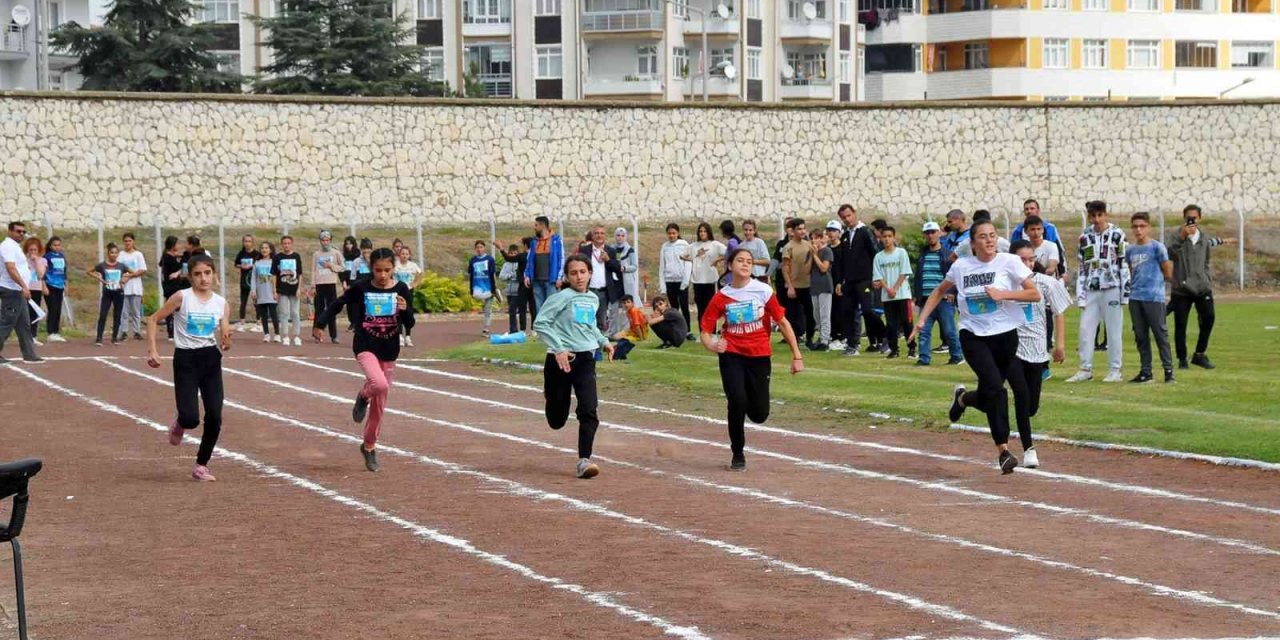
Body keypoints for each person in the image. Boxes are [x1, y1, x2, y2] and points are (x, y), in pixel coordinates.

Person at [911, 219, 1041, 474]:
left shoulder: (1009, 262)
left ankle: (963, 398)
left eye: (992, 235)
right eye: (983, 236)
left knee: (989, 392)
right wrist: (922, 320)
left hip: (1005, 336)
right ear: (972, 243)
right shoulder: (961, 266)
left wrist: (1003, 295)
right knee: (997, 389)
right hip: (973, 336)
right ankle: (1003, 451)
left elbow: (1034, 293)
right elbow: (939, 291)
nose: (990, 240)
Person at [700, 248, 804, 471]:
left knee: (759, 413)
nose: (745, 264)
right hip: (732, 355)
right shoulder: (721, 296)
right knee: (736, 401)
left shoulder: (763, 291)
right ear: (730, 266)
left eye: (749, 261)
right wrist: (713, 345)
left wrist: (797, 355)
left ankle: (749, 403)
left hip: (759, 356)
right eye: (740, 260)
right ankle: (738, 452)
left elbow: (783, 323)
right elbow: (706, 330)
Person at [313, 248, 416, 473]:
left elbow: (410, 322)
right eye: (378, 270)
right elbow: (337, 304)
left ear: (393, 269)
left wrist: (405, 310)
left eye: (387, 270)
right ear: (371, 269)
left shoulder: (401, 289)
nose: (382, 275)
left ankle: (369, 446)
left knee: (379, 407)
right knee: (378, 384)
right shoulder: (361, 287)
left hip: (389, 349)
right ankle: (362, 395)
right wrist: (320, 323)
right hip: (366, 345)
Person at [147, 253, 231, 482]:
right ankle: (181, 422)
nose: (203, 278)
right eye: (197, 274)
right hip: (186, 359)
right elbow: (153, 319)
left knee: (215, 416)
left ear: (214, 275)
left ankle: (201, 465)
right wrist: (153, 350)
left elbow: (224, 329)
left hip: (210, 360)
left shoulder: (221, 303)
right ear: (190, 276)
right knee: (191, 418)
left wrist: (226, 338)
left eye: (207, 273)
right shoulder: (181, 298)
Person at [532, 255, 615, 479]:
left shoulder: (593, 298)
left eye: (582, 272)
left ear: (589, 273)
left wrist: (604, 342)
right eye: (573, 273)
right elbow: (540, 323)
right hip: (560, 361)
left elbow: (589, 326)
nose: (579, 277)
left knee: (589, 409)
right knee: (557, 419)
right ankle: (553, 399)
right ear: (567, 277)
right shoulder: (561, 297)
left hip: (586, 359)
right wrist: (558, 348)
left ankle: (584, 460)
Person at [1010, 240, 1070, 469]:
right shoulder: (1004, 282)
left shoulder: (1045, 283)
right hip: (1011, 349)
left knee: (1031, 406)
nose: (1027, 263)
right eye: (1022, 259)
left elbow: (1060, 312)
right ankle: (1029, 449)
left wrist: (1060, 345)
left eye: (1030, 258)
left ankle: (965, 398)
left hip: (1037, 351)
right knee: (1020, 395)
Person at [1067, 201, 1131, 384]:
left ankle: (1115, 370)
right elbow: (1082, 267)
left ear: (1105, 215)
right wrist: (1080, 296)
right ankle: (1085, 368)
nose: (1096, 220)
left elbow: (1123, 264)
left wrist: (1124, 293)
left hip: (1112, 288)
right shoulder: (1085, 237)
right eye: (1092, 216)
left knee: (1113, 331)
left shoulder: (1118, 234)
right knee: (1085, 329)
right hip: (1091, 289)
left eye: (1099, 215)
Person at [1167, 204, 1228, 370]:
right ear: (1184, 218)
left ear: (1199, 218)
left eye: (1194, 217)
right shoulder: (1175, 235)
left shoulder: (1204, 238)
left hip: (1202, 287)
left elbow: (1206, 261)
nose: (1191, 220)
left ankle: (1199, 354)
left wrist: (1206, 279)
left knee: (1209, 318)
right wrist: (1182, 237)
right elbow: (1169, 253)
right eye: (1188, 217)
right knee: (1181, 325)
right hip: (1182, 289)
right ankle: (1182, 359)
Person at [1126, 212, 1175, 383]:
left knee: (1160, 334)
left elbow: (1167, 271)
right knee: (1140, 335)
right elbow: (1131, 272)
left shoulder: (1157, 248)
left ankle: (1168, 371)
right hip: (1135, 297)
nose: (1138, 230)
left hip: (1153, 297)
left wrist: (1161, 289)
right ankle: (1146, 371)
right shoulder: (1130, 250)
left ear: (1148, 227)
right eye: (1135, 226)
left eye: (1142, 226)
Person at [913, 222, 962, 366]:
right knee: (924, 331)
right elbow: (918, 276)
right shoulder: (923, 255)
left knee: (949, 330)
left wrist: (952, 292)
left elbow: (955, 276)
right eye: (927, 233)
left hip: (943, 299)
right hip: (925, 300)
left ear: (939, 233)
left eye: (933, 232)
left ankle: (956, 356)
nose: (930, 235)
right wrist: (917, 295)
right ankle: (924, 358)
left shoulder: (948, 255)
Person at [837, 205, 883, 356]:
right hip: (849, 280)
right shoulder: (844, 236)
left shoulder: (865, 232)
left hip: (865, 279)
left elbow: (875, 254)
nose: (847, 219)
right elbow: (842, 260)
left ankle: (883, 338)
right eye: (844, 217)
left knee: (868, 311)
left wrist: (876, 276)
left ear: (854, 214)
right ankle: (852, 344)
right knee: (848, 311)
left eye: (849, 215)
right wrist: (840, 281)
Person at [0, 221, 40, 363]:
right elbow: (11, 268)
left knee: (24, 324)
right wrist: (24, 286)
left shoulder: (15, 247)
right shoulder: (7, 246)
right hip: (11, 290)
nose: (21, 234)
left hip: (18, 290)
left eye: (23, 232)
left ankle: (29, 354)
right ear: (10, 231)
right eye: (18, 231)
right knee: (6, 322)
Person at [872, 225, 913, 359]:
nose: (887, 239)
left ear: (894, 237)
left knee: (907, 322)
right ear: (881, 238)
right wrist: (887, 289)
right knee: (891, 324)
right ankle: (894, 349)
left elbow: (904, 272)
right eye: (884, 237)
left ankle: (912, 348)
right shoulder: (878, 257)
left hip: (902, 294)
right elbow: (878, 276)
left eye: (890, 236)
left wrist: (895, 288)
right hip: (887, 296)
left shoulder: (901, 253)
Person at [88, 242, 136, 346]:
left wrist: (125, 278)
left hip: (118, 292)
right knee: (103, 314)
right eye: (111, 253)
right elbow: (89, 271)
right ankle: (99, 338)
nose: (113, 255)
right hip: (107, 292)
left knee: (117, 314)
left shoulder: (121, 266)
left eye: (115, 253)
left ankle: (114, 337)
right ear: (108, 253)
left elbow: (133, 272)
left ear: (118, 254)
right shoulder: (102, 265)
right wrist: (100, 279)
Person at [579, 225, 624, 334]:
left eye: (602, 233)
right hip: (587, 290)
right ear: (592, 236)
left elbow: (618, 268)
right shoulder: (584, 250)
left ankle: (598, 348)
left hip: (603, 291)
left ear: (605, 236)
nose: (599, 235)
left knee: (601, 322)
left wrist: (608, 260)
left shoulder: (612, 251)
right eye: (596, 233)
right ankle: (584, 347)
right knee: (584, 320)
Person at [683, 222, 726, 333]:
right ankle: (702, 332)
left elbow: (729, 252)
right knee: (700, 308)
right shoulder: (693, 246)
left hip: (710, 280)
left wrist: (717, 259)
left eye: (704, 231)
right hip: (697, 280)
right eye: (700, 231)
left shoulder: (714, 244)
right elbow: (682, 255)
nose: (702, 233)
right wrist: (692, 259)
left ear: (709, 232)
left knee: (710, 307)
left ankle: (712, 332)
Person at [780, 218, 814, 348]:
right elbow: (785, 268)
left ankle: (809, 338)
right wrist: (790, 286)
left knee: (810, 313)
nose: (802, 231)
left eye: (803, 228)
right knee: (792, 315)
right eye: (799, 229)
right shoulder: (788, 247)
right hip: (794, 286)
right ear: (793, 231)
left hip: (807, 285)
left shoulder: (808, 245)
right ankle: (794, 338)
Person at [1013, 199, 1069, 277]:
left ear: (1038, 210)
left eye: (1032, 208)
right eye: (1026, 209)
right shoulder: (1017, 231)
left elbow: (1058, 251)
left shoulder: (1050, 228)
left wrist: (1063, 272)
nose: (1029, 211)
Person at [524, 215, 564, 313]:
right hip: (537, 280)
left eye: (536, 225)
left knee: (552, 307)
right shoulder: (534, 242)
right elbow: (529, 260)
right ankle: (541, 328)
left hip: (551, 280)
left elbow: (561, 259)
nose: (535, 227)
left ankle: (552, 328)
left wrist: (560, 277)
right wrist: (527, 275)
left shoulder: (556, 240)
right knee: (539, 307)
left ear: (542, 226)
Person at [311, 230, 345, 344]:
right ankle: (316, 334)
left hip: (331, 284)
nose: (325, 242)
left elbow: (342, 267)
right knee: (319, 310)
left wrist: (331, 266)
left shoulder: (335, 253)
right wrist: (312, 285)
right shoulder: (316, 254)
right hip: (319, 284)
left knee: (331, 310)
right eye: (323, 240)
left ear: (330, 240)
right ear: (320, 241)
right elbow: (313, 270)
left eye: (327, 240)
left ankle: (334, 335)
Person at [658, 223, 692, 332]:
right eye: (669, 233)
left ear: (678, 233)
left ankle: (687, 331)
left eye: (674, 233)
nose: (671, 235)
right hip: (669, 281)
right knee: (674, 308)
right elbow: (662, 266)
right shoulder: (665, 246)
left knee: (684, 307)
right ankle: (677, 330)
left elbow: (688, 263)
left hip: (681, 281)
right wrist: (663, 286)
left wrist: (685, 282)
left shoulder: (684, 244)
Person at [273, 235, 304, 347]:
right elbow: (274, 275)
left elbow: (299, 274)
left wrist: (299, 288)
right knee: (284, 313)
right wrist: (274, 290)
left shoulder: (296, 256)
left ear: (292, 244)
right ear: (282, 245)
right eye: (284, 243)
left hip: (294, 288)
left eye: (288, 243)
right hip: (282, 289)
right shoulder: (278, 257)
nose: (286, 245)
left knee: (295, 313)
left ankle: (296, 336)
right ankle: (285, 335)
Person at [118, 232, 148, 341]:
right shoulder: (121, 255)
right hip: (124, 287)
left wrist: (130, 275)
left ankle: (137, 331)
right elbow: (118, 269)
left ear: (133, 242)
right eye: (125, 241)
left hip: (136, 287)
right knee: (124, 311)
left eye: (129, 241)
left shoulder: (138, 254)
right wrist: (123, 278)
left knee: (136, 311)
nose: (127, 243)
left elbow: (142, 269)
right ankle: (124, 331)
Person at [808, 229, 834, 351]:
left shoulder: (827, 251)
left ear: (820, 238)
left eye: (815, 238)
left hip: (824, 286)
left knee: (824, 314)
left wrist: (815, 255)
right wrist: (811, 255)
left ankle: (825, 339)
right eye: (811, 238)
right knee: (816, 314)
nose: (813, 241)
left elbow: (824, 268)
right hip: (814, 287)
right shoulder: (812, 252)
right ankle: (820, 337)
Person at [823, 220, 847, 350]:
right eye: (829, 230)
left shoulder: (843, 248)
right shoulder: (826, 249)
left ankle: (842, 336)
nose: (831, 233)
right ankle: (832, 335)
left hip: (839, 283)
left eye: (833, 231)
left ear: (839, 232)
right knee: (829, 311)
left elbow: (845, 267)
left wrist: (842, 282)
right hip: (828, 283)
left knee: (840, 310)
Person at [160, 236, 188, 341]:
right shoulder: (169, 259)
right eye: (177, 244)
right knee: (172, 308)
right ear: (172, 246)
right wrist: (180, 270)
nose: (179, 246)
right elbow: (178, 268)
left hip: (169, 286)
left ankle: (173, 331)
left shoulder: (167, 256)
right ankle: (171, 332)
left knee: (173, 308)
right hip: (171, 286)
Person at [251, 241, 280, 343]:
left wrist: (276, 291)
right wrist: (253, 290)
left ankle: (277, 334)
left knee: (273, 313)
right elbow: (253, 278)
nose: (264, 250)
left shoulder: (274, 262)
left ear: (271, 250)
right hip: (261, 292)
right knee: (263, 315)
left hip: (271, 292)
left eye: (266, 248)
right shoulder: (257, 263)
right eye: (262, 248)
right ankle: (266, 334)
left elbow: (277, 278)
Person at [467, 240, 498, 337]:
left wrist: (493, 288)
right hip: (477, 287)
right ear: (475, 249)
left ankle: (486, 328)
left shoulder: (490, 259)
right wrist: (471, 289)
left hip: (488, 287)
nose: (479, 249)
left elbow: (492, 274)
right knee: (479, 307)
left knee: (487, 308)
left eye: (481, 247)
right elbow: (471, 275)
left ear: (484, 248)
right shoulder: (473, 260)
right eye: (477, 247)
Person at [42, 236, 68, 343]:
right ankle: (50, 332)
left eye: (59, 245)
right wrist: (44, 286)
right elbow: (43, 271)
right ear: (50, 246)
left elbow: (64, 272)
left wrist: (66, 285)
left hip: (60, 286)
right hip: (50, 285)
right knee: (52, 308)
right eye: (55, 245)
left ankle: (56, 332)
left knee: (58, 309)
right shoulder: (47, 257)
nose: (57, 247)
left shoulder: (62, 256)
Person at [22, 237, 47, 345]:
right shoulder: (22, 260)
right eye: (30, 250)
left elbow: (41, 274)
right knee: (24, 313)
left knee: (35, 313)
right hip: (25, 288)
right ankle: (25, 336)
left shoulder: (42, 260)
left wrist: (36, 261)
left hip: (36, 288)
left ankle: (33, 335)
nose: (32, 252)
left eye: (35, 250)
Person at [610, 295, 649, 360]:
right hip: (633, 330)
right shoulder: (628, 312)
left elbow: (637, 326)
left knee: (623, 340)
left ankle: (618, 352)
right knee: (615, 336)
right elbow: (632, 325)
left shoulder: (634, 311)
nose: (626, 304)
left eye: (628, 302)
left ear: (633, 303)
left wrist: (641, 338)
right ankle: (618, 349)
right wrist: (626, 332)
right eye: (624, 303)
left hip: (640, 332)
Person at [499, 243, 525, 335]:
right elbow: (501, 276)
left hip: (518, 290)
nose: (512, 255)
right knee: (511, 310)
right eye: (510, 253)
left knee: (513, 309)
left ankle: (516, 330)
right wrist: (509, 276)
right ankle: (513, 329)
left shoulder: (520, 263)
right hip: (509, 291)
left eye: (514, 253)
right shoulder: (506, 264)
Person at [233, 234, 257, 332]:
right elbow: (236, 264)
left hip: (254, 281)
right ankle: (242, 322)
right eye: (245, 241)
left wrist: (253, 266)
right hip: (244, 281)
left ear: (252, 242)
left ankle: (258, 322)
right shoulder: (241, 253)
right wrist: (242, 266)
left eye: (249, 241)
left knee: (256, 302)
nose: (247, 243)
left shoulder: (256, 254)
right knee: (243, 302)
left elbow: (260, 264)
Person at [614, 227, 640, 304]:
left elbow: (634, 266)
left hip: (627, 280)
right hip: (615, 280)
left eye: (622, 235)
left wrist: (625, 268)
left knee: (629, 302)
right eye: (618, 235)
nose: (620, 238)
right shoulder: (611, 249)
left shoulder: (630, 250)